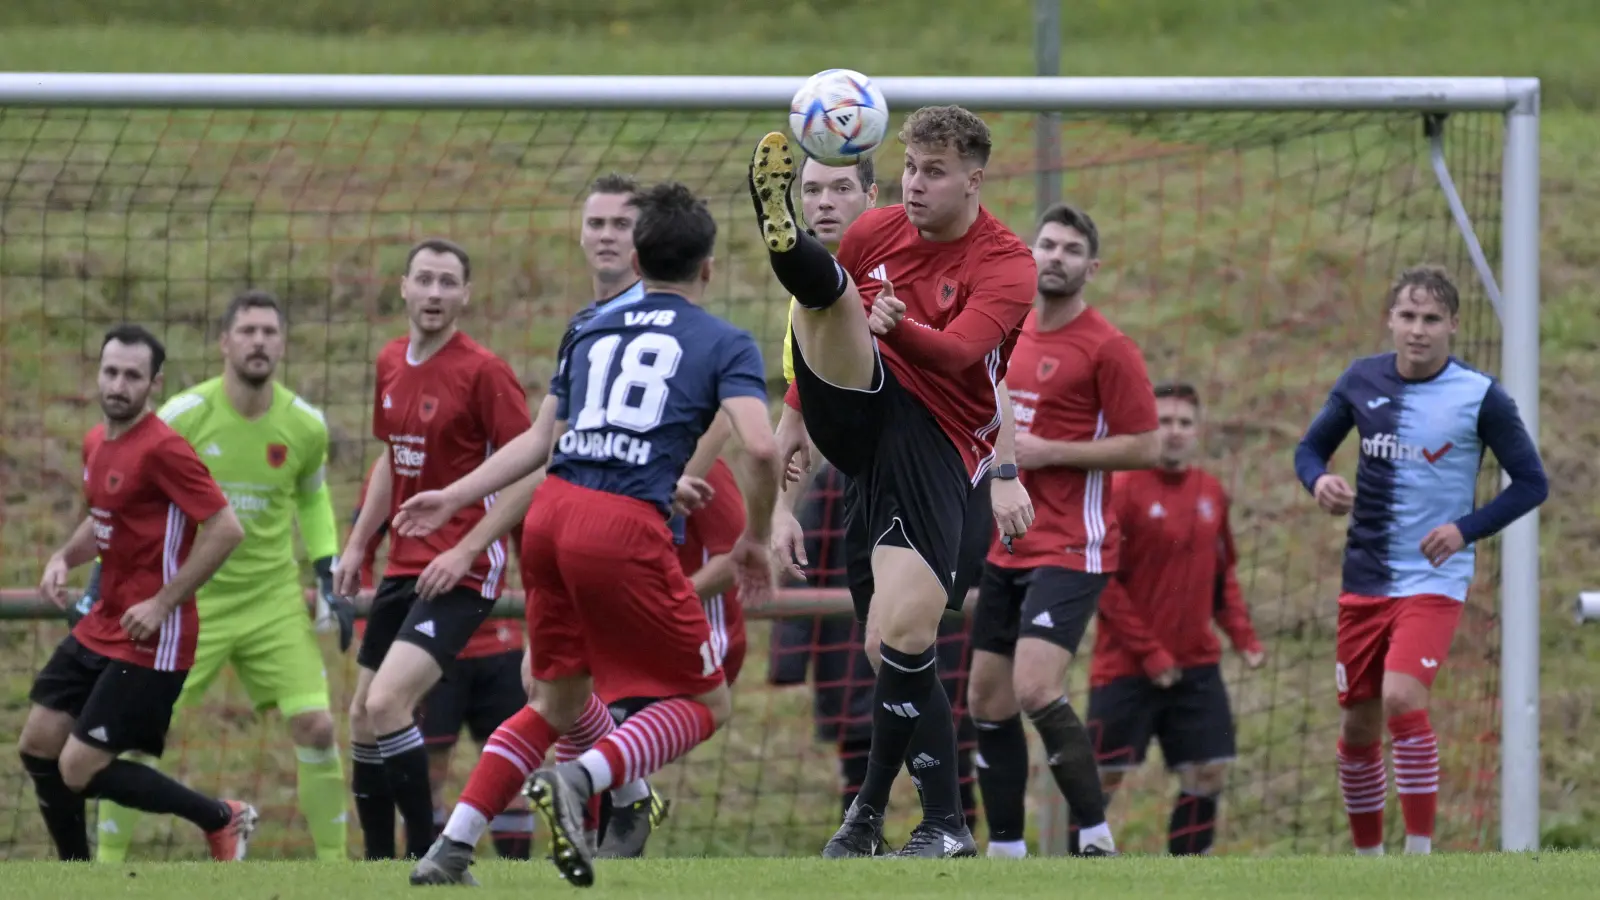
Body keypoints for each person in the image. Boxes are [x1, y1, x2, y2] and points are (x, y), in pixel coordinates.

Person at [398, 181, 780, 888]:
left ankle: (451, 847)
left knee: (556, 701)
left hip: (550, 515)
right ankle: (584, 782)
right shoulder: (725, 340)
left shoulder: (591, 325)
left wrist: (453, 494)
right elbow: (759, 448)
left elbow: (542, 440)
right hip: (624, 524)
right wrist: (756, 535)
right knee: (704, 702)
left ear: (635, 257)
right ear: (709, 269)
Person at [750, 106, 1035, 859]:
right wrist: (791, 448)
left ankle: (892, 818)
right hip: (863, 429)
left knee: (896, 643)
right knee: (827, 293)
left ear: (974, 181)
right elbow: (825, 347)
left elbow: (961, 357)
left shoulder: (1007, 262)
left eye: (934, 173)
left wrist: (896, 326)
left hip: (940, 444)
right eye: (909, 168)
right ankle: (785, 241)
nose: (914, 185)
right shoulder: (874, 232)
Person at [1292, 265, 1547, 856]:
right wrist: (1319, 482)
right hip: (1364, 576)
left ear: (1453, 325)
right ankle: (1369, 861)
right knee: (1357, 727)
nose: (1418, 330)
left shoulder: (1481, 396)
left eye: (1432, 319)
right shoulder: (1360, 380)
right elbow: (1310, 449)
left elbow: (1531, 483)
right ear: (1390, 320)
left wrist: (1465, 529)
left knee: (1403, 699)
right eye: (1408, 316)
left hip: (1434, 580)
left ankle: (1420, 857)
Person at [89, 291, 352, 863]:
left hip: (273, 603)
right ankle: (104, 868)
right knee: (135, 739)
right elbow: (130, 496)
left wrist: (328, 571)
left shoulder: (305, 424)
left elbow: (312, 502)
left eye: (270, 332)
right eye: (248, 331)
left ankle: (337, 868)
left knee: (317, 726)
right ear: (224, 343)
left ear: (282, 344)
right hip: (188, 604)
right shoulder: (183, 416)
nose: (259, 341)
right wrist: (102, 573)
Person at [962, 203, 1158, 858]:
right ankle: (1008, 851)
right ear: (1029, 252)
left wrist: (1052, 452)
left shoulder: (1108, 347)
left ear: (1090, 268)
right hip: (1006, 542)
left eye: (1071, 250)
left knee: (1035, 686)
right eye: (1046, 244)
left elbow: (1147, 446)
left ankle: (1096, 837)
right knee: (986, 699)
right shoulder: (1006, 334)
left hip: (1076, 542)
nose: (1055, 257)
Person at [19, 324, 257, 862]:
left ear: (154, 383)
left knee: (78, 766)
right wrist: (62, 556)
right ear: (98, 373)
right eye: (111, 372)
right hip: (103, 621)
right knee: (38, 744)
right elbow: (104, 519)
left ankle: (223, 817)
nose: (119, 384)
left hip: (154, 634)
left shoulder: (165, 450)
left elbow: (225, 528)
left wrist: (163, 602)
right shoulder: (95, 442)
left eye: (132, 375)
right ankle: (75, 876)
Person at [332, 238, 537, 861]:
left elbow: (530, 470)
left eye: (448, 283)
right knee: (362, 718)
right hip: (404, 566)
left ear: (465, 295)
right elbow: (392, 464)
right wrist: (357, 543)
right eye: (425, 280)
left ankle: (431, 855)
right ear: (403, 286)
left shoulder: (483, 372)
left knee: (388, 702)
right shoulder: (391, 362)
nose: (434, 293)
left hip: (464, 570)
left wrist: (469, 547)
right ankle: (374, 866)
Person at [1088, 381, 1266, 856]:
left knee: (1208, 770)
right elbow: (1102, 582)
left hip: (1195, 663)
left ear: (1197, 430)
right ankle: (1078, 870)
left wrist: (1243, 637)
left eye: (1184, 422)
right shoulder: (1121, 489)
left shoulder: (1211, 491)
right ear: (1149, 426)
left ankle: (1188, 874)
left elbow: (1222, 574)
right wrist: (1150, 652)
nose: (1174, 431)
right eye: (1164, 421)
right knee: (1099, 780)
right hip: (1126, 664)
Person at [343, 467, 536, 862]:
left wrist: (538, 624)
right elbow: (363, 545)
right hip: (429, 655)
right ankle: (421, 860)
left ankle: (517, 872)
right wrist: (375, 632)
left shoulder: (502, 463)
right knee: (427, 772)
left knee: (513, 780)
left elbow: (531, 540)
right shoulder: (399, 461)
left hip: (500, 651)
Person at [592, 456, 749, 858]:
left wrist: (665, 603)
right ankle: (610, 838)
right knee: (583, 719)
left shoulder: (707, 468)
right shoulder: (615, 459)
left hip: (701, 638)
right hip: (632, 635)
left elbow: (734, 559)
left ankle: (616, 845)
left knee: (616, 722)